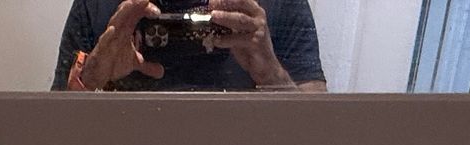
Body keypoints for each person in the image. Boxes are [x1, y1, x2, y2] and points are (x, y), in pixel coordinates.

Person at [54, 0, 325, 92]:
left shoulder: (274, 6)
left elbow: (321, 141)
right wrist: (91, 79)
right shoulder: (97, 5)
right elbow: (52, 135)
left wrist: (270, 73)